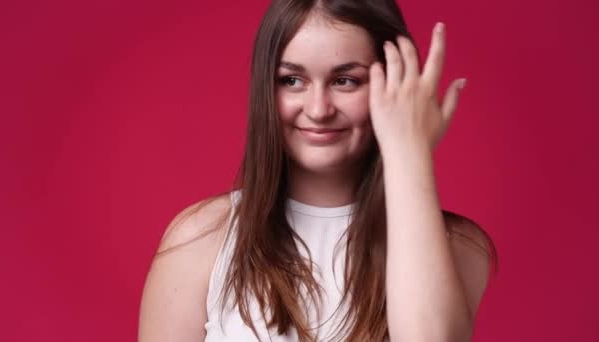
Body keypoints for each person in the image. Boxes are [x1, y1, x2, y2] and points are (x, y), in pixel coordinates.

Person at [138, 0, 498, 341]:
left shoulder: (457, 246)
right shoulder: (201, 238)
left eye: (346, 81)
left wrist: (408, 151)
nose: (318, 108)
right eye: (292, 80)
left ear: (394, 86)